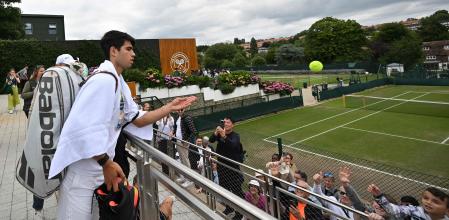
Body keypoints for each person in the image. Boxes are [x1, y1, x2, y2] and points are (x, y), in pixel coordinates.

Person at [48, 30, 196, 220]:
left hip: (98, 173)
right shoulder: (102, 81)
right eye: (128, 49)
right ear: (113, 51)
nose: (133, 54)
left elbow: (137, 118)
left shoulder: (118, 81)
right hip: (82, 175)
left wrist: (170, 107)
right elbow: (82, 129)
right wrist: (106, 162)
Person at [209, 117, 244, 220]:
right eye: (225, 122)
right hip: (222, 166)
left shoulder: (235, 136)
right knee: (224, 189)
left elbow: (233, 145)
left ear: (232, 125)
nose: (226, 124)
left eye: (228, 122)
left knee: (236, 191)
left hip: (232, 168)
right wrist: (216, 132)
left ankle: (239, 213)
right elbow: (211, 140)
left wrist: (224, 136)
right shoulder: (220, 133)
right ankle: (229, 208)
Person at [368, 184, 449, 220]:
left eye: (436, 202)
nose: (428, 202)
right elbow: (393, 210)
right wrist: (379, 196)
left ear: (447, 209)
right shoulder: (414, 210)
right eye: (426, 198)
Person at [173, 108, 197, 188]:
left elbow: (194, 131)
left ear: (184, 110)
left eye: (181, 110)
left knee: (185, 161)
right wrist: (173, 133)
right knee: (182, 160)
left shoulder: (187, 118)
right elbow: (177, 128)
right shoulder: (177, 117)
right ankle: (184, 178)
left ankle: (189, 180)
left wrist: (186, 140)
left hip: (183, 142)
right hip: (178, 140)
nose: (179, 111)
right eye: (178, 110)